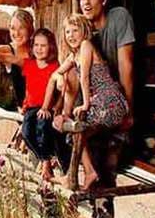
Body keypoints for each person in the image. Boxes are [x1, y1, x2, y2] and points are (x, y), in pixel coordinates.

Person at [58, 0, 135, 218]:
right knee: (88, 147)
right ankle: (100, 217)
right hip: (94, 103)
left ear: (103, 0)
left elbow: (126, 65)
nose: (86, 3)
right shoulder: (81, 32)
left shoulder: (118, 18)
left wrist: (129, 108)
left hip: (113, 99)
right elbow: (70, 73)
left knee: (110, 158)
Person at [46, 14, 128, 190]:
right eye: (68, 32)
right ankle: (88, 172)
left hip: (109, 99)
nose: (71, 35)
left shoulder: (85, 46)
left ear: (83, 31)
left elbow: (83, 77)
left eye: (75, 30)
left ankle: (82, 174)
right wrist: (59, 77)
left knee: (74, 126)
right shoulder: (73, 56)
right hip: (99, 100)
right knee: (74, 132)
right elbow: (55, 73)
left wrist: (85, 105)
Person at [0, 28, 60, 180]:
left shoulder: (55, 66)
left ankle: (47, 162)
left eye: (43, 46)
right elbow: (13, 59)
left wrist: (53, 108)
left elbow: (61, 88)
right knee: (27, 133)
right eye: (36, 45)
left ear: (51, 47)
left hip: (46, 108)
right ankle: (44, 159)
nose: (39, 49)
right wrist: (0, 56)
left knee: (42, 130)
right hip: (31, 107)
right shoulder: (29, 64)